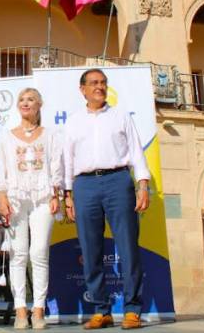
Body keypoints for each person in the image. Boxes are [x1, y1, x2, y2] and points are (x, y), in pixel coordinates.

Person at [63, 69, 151, 330]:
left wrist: (143, 185)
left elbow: (136, 151)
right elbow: (67, 160)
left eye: (102, 83)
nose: (99, 87)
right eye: (93, 83)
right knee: (90, 251)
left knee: (127, 246)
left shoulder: (121, 116)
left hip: (118, 181)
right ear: (83, 90)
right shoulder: (73, 121)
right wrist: (68, 195)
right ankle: (102, 310)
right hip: (84, 185)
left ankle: (132, 309)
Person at [0, 88, 63, 330]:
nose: (26, 103)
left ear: (39, 105)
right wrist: (1, 198)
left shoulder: (51, 134)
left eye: (31, 99)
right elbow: (1, 169)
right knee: (19, 253)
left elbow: (56, 166)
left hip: (43, 197)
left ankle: (39, 309)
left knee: (40, 252)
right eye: (22, 99)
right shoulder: (5, 136)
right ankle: (21, 309)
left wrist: (56, 194)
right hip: (14, 198)